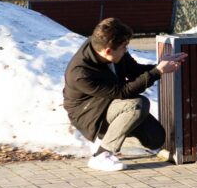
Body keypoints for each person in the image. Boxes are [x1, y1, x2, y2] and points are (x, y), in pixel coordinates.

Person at [63, 17, 187, 171]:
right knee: (138, 105)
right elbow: (122, 92)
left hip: (111, 104)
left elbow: (134, 71)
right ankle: (100, 155)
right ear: (108, 51)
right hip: (89, 114)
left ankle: (106, 141)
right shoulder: (81, 73)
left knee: (156, 139)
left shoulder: (109, 47)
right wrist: (158, 72)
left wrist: (160, 65)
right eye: (124, 48)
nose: (126, 51)